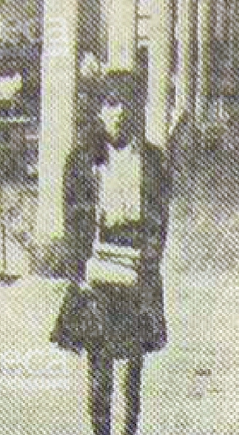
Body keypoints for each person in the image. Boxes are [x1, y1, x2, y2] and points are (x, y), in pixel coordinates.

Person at [51, 70, 170, 435]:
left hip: (136, 267)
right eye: (110, 104)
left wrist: (148, 262)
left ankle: (128, 430)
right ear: (99, 110)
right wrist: (79, 268)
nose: (117, 113)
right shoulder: (81, 160)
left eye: (126, 104)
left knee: (132, 363)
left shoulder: (152, 160)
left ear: (138, 108)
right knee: (99, 362)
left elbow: (159, 220)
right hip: (96, 268)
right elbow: (72, 219)